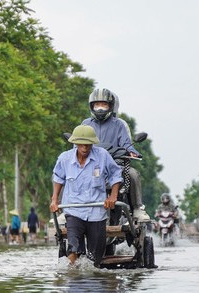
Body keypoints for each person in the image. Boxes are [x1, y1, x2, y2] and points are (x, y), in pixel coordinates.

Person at [50, 125, 122, 267]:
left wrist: (113, 196)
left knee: (95, 258)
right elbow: (58, 178)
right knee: (74, 248)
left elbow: (116, 174)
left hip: (96, 212)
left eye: (88, 144)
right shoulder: (65, 159)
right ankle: (73, 278)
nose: (85, 148)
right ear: (75, 143)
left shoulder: (102, 155)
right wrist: (54, 200)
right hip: (74, 210)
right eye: (82, 144)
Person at [82, 87, 150, 222]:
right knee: (66, 175)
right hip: (90, 165)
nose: (100, 108)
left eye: (104, 105)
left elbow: (126, 143)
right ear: (92, 106)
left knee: (133, 174)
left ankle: (137, 209)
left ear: (110, 106)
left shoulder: (119, 124)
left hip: (115, 165)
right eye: (97, 105)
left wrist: (132, 152)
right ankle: (64, 211)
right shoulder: (85, 124)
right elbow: (78, 144)